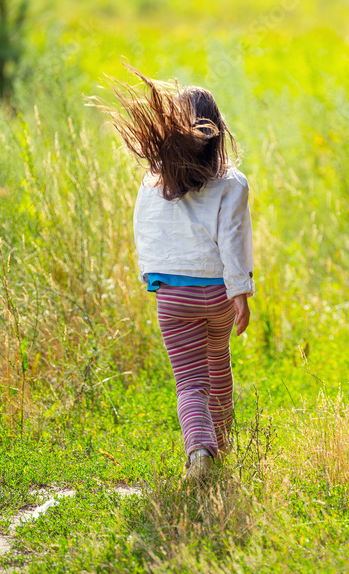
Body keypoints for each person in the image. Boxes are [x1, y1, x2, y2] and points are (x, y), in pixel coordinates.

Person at [99, 65, 254, 482]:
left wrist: (152, 275)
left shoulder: (154, 182)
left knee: (189, 382)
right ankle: (223, 441)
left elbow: (144, 229)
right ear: (217, 132)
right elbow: (234, 239)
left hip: (173, 295)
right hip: (218, 294)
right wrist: (240, 292)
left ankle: (199, 454)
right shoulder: (232, 183)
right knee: (217, 358)